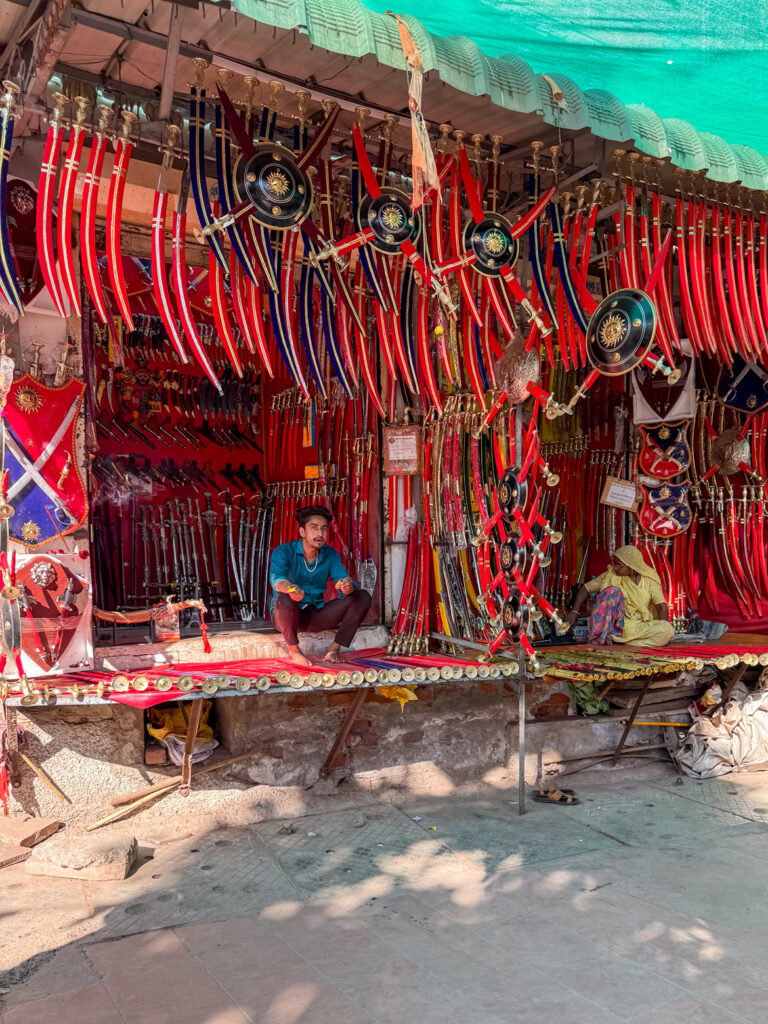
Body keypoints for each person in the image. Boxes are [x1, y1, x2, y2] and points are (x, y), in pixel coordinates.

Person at [269, 505, 372, 666]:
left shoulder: (329, 554)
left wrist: (347, 585)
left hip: (315, 615)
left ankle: (334, 649)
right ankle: (294, 651)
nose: (320, 534)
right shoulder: (283, 551)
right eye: (314, 528)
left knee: (362, 595)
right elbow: (278, 580)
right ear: (302, 531)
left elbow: (343, 579)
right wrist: (291, 589)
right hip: (287, 616)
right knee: (285, 597)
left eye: (324, 529)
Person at [565, 544, 675, 647]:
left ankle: (619, 641)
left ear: (632, 566)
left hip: (641, 626)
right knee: (611, 592)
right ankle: (612, 637)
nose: (615, 568)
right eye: (615, 564)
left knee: (667, 629)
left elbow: (661, 606)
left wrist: (662, 626)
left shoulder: (649, 580)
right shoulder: (612, 575)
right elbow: (585, 588)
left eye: (619, 565)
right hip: (620, 627)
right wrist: (574, 612)